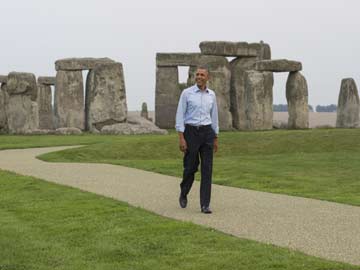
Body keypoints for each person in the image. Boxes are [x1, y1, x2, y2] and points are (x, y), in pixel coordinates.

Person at [175, 66, 219, 214]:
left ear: (208, 78)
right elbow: (180, 115)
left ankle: (205, 205)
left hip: (207, 132)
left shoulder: (211, 95)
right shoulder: (187, 93)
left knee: (207, 170)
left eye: (202, 75)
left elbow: (214, 117)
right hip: (191, 132)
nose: (199, 77)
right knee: (190, 167)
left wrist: (215, 137)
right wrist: (181, 137)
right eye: (197, 74)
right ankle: (184, 191)